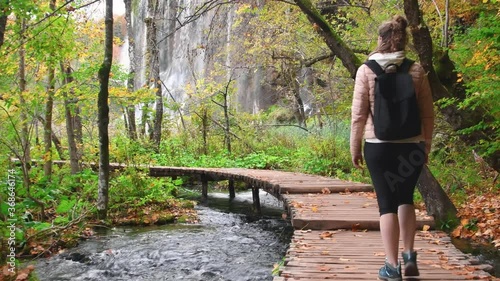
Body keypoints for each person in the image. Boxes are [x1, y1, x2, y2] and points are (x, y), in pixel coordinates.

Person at [349, 15, 434, 281]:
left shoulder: (366, 70)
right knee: (406, 199)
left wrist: (355, 148)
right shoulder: (416, 69)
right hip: (412, 146)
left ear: (380, 39)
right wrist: (426, 146)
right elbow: (428, 115)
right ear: (403, 40)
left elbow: (358, 115)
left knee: (386, 203)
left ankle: (391, 266)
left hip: (378, 146)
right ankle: (409, 257)